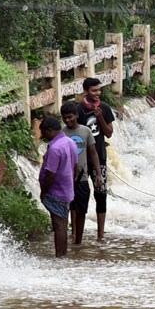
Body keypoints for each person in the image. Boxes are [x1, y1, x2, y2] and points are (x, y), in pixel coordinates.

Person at [75, 77, 115, 241]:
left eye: (99, 90)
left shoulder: (104, 108)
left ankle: (100, 234)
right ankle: (76, 234)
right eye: (94, 91)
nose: (98, 94)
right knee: (78, 196)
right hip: (82, 161)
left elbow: (109, 133)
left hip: (100, 158)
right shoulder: (78, 110)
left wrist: (100, 118)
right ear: (86, 92)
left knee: (101, 194)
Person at [60, 101, 100, 245]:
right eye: (65, 118)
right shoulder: (62, 133)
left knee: (81, 210)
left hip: (82, 177)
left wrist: (99, 174)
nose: (68, 120)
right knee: (69, 208)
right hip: (66, 178)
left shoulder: (85, 131)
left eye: (70, 117)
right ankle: (72, 233)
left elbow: (93, 153)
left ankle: (78, 241)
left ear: (76, 115)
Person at [38, 116, 77, 258]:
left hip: (56, 191)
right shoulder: (70, 142)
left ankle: (60, 257)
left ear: (49, 131)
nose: (43, 136)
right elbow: (75, 166)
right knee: (63, 223)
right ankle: (63, 255)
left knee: (58, 225)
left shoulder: (55, 148)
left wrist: (43, 191)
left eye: (43, 133)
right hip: (67, 189)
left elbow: (50, 174)